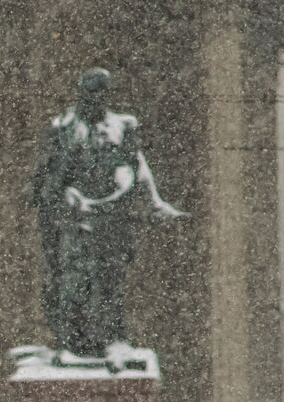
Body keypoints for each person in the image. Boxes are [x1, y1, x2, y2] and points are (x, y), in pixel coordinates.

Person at [32, 67, 184, 358]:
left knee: (110, 278)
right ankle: (72, 340)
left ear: (107, 94)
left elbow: (138, 168)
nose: (94, 99)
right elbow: (47, 175)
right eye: (89, 93)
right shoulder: (63, 127)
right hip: (73, 218)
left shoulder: (122, 126)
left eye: (100, 93)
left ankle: (112, 337)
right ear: (80, 94)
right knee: (73, 278)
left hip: (111, 216)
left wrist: (155, 203)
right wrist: (67, 198)